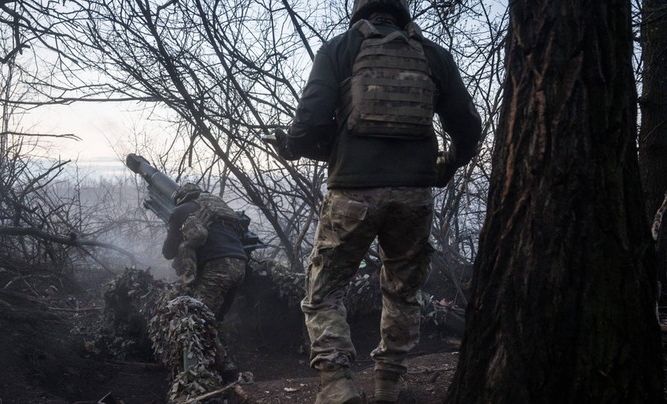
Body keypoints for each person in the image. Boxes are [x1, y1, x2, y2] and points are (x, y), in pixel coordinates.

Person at [272, 0, 482, 402]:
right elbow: (468, 130)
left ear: (360, 12)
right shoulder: (433, 55)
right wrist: (445, 167)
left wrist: (293, 147)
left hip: (351, 192)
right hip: (413, 196)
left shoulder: (340, 49)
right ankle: (389, 382)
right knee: (402, 290)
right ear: (401, 13)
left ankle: (337, 383)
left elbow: (313, 117)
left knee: (324, 290)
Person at [162, 182, 248, 380]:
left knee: (194, 318)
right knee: (212, 319)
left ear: (180, 198)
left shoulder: (182, 209)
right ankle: (219, 363)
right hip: (240, 265)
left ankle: (211, 373)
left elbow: (168, 252)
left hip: (218, 268)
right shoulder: (219, 208)